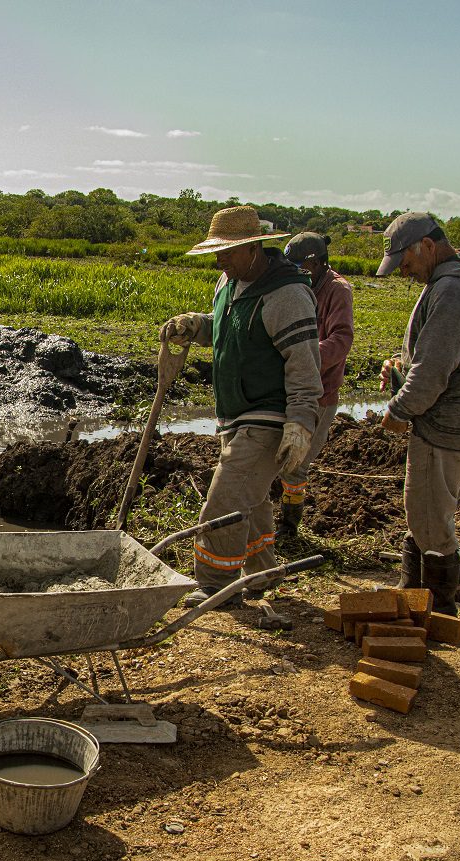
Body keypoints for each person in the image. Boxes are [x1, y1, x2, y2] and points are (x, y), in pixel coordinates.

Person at [161, 205, 322, 607]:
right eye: (217, 253)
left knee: (227, 497)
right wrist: (197, 325)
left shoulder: (287, 294)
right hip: (234, 412)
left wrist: (300, 423)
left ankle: (215, 584)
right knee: (251, 498)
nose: (220, 261)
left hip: (269, 415)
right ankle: (261, 573)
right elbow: (227, 327)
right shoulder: (229, 282)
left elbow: (304, 364)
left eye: (228, 253)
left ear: (254, 248)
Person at [375, 212, 460, 615]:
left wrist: (400, 409)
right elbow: (434, 356)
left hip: (444, 426)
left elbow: (433, 369)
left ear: (428, 246)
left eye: (406, 263)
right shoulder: (456, 282)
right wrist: (401, 366)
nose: (405, 272)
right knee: (426, 514)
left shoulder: (453, 289)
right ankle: (412, 598)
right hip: (457, 424)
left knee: (431, 523)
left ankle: (436, 612)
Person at [277, 232, 355, 535]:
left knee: (296, 463)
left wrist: (303, 357)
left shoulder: (337, 290)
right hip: (290, 387)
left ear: (316, 262)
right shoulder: (296, 287)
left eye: (300, 267)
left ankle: (289, 527)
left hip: (320, 391)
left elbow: (341, 339)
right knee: (275, 456)